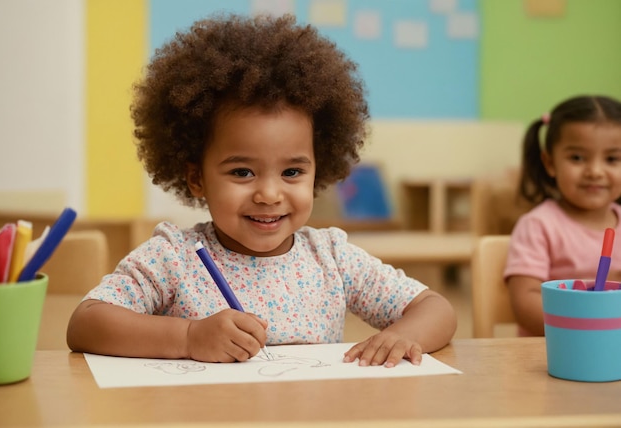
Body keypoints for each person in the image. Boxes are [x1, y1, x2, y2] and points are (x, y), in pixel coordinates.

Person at [67, 14, 457, 367]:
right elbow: (86, 323)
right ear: (197, 178)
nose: (269, 194)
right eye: (242, 171)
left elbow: (436, 309)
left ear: (318, 170)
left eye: (291, 171)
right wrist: (188, 336)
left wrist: (402, 335)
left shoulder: (333, 260)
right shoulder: (175, 258)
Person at [504, 95, 621, 336]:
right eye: (577, 158)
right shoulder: (538, 225)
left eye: (612, 159)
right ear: (549, 162)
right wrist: (583, 329)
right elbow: (525, 303)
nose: (595, 172)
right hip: (550, 355)